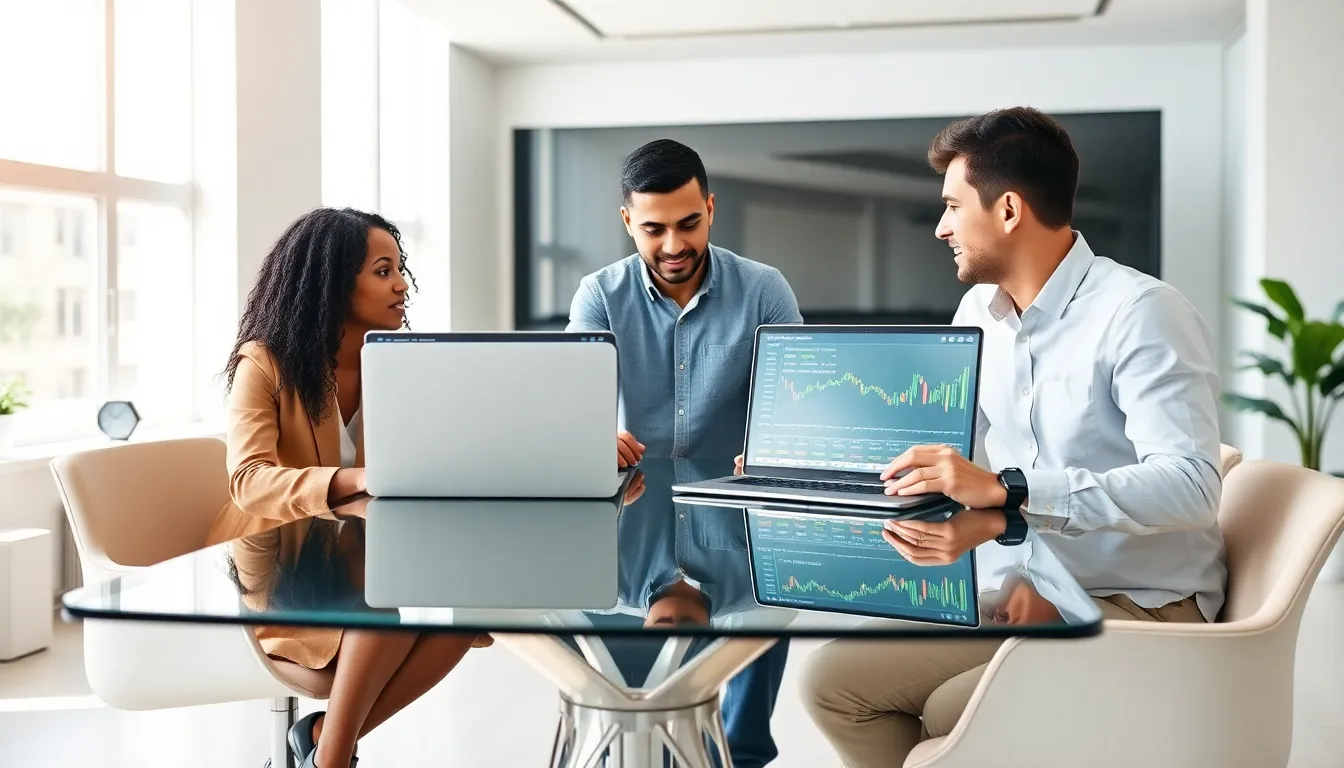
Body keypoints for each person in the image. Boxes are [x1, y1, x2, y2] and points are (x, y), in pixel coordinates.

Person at [797, 107, 1226, 767]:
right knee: (831, 685)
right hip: (1036, 586)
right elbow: (947, 450)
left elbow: (1193, 486)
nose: (940, 228)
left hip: (1147, 605)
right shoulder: (981, 312)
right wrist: (813, 460)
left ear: (1008, 211)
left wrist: (1010, 488)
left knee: (950, 710)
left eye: (951, 206)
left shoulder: (1141, 313)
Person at [208, 208, 487, 768]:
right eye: (383, 270)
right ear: (335, 283)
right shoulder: (263, 364)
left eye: (400, 267)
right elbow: (249, 481)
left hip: (368, 556)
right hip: (287, 571)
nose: (402, 283)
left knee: (467, 620)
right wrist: (356, 480)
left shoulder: (396, 364)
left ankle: (321, 746)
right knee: (378, 610)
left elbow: (452, 449)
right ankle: (331, 757)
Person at [566, 139, 802, 767]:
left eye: (688, 223)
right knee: (627, 720)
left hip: (743, 522)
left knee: (744, 734)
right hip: (630, 520)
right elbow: (567, 416)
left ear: (710, 210)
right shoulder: (599, 295)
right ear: (627, 224)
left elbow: (797, 413)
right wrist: (588, 437)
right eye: (653, 229)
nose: (673, 245)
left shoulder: (764, 291)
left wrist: (776, 446)